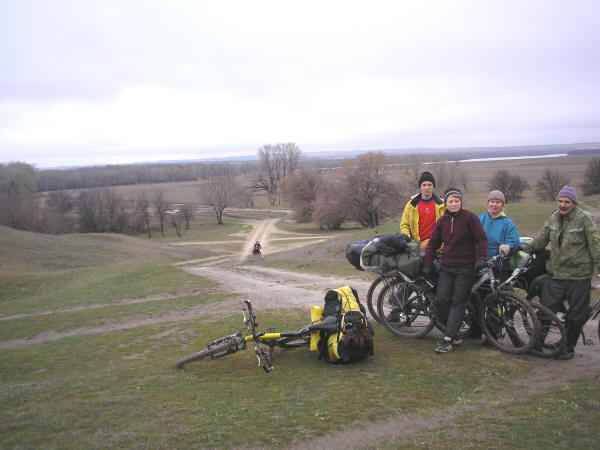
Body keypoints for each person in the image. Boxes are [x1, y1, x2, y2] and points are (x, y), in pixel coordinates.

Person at [521, 186, 600, 360]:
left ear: (574, 203)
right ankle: (538, 343)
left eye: (567, 202)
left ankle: (568, 348)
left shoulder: (584, 219)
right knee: (545, 311)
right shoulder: (553, 218)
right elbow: (540, 240)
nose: (563, 205)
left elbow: (595, 246)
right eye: (560, 201)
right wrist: (519, 249)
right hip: (556, 275)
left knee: (575, 316)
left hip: (579, 276)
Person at [422, 188, 488, 354]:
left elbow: (481, 239)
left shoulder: (470, 218)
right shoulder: (442, 221)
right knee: (442, 299)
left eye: (457, 201)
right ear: (446, 203)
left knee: (459, 301)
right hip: (447, 267)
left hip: (466, 268)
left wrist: (480, 258)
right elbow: (432, 244)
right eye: (451, 201)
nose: (454, 204)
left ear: (461, 202)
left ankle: (448, 339)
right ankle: (454, 333)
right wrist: (428, 264)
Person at [400, 171, 445, 247]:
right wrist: (406, 238)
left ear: (433, 186)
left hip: (438, 246)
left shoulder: (442, 204)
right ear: (420, 187)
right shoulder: (411, 205)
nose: (427, 188)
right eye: (424, 185)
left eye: (429, 185)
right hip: (417, 246)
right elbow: (404, 225)